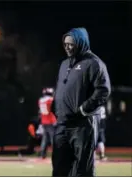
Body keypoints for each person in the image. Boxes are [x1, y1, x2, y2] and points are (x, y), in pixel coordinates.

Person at [52, 27, 111, 176]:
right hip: (62, 124)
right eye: (65, 44)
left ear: (81, 43)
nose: (67, 47)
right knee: (59, 168)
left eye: (71, 44)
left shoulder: (94, 63)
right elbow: (61, 88)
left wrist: (83, 110)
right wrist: (56, 108)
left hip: (83, 124)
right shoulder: (64, 64)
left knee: (82, 169)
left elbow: (103, 90)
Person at [38, 88, 56, 159]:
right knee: (53, 139)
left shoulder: (40, 100)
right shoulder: (50, 100)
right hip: (50, 121)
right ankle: (56, 154)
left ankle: (43, 154)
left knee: (45, 139)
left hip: (44, 121)